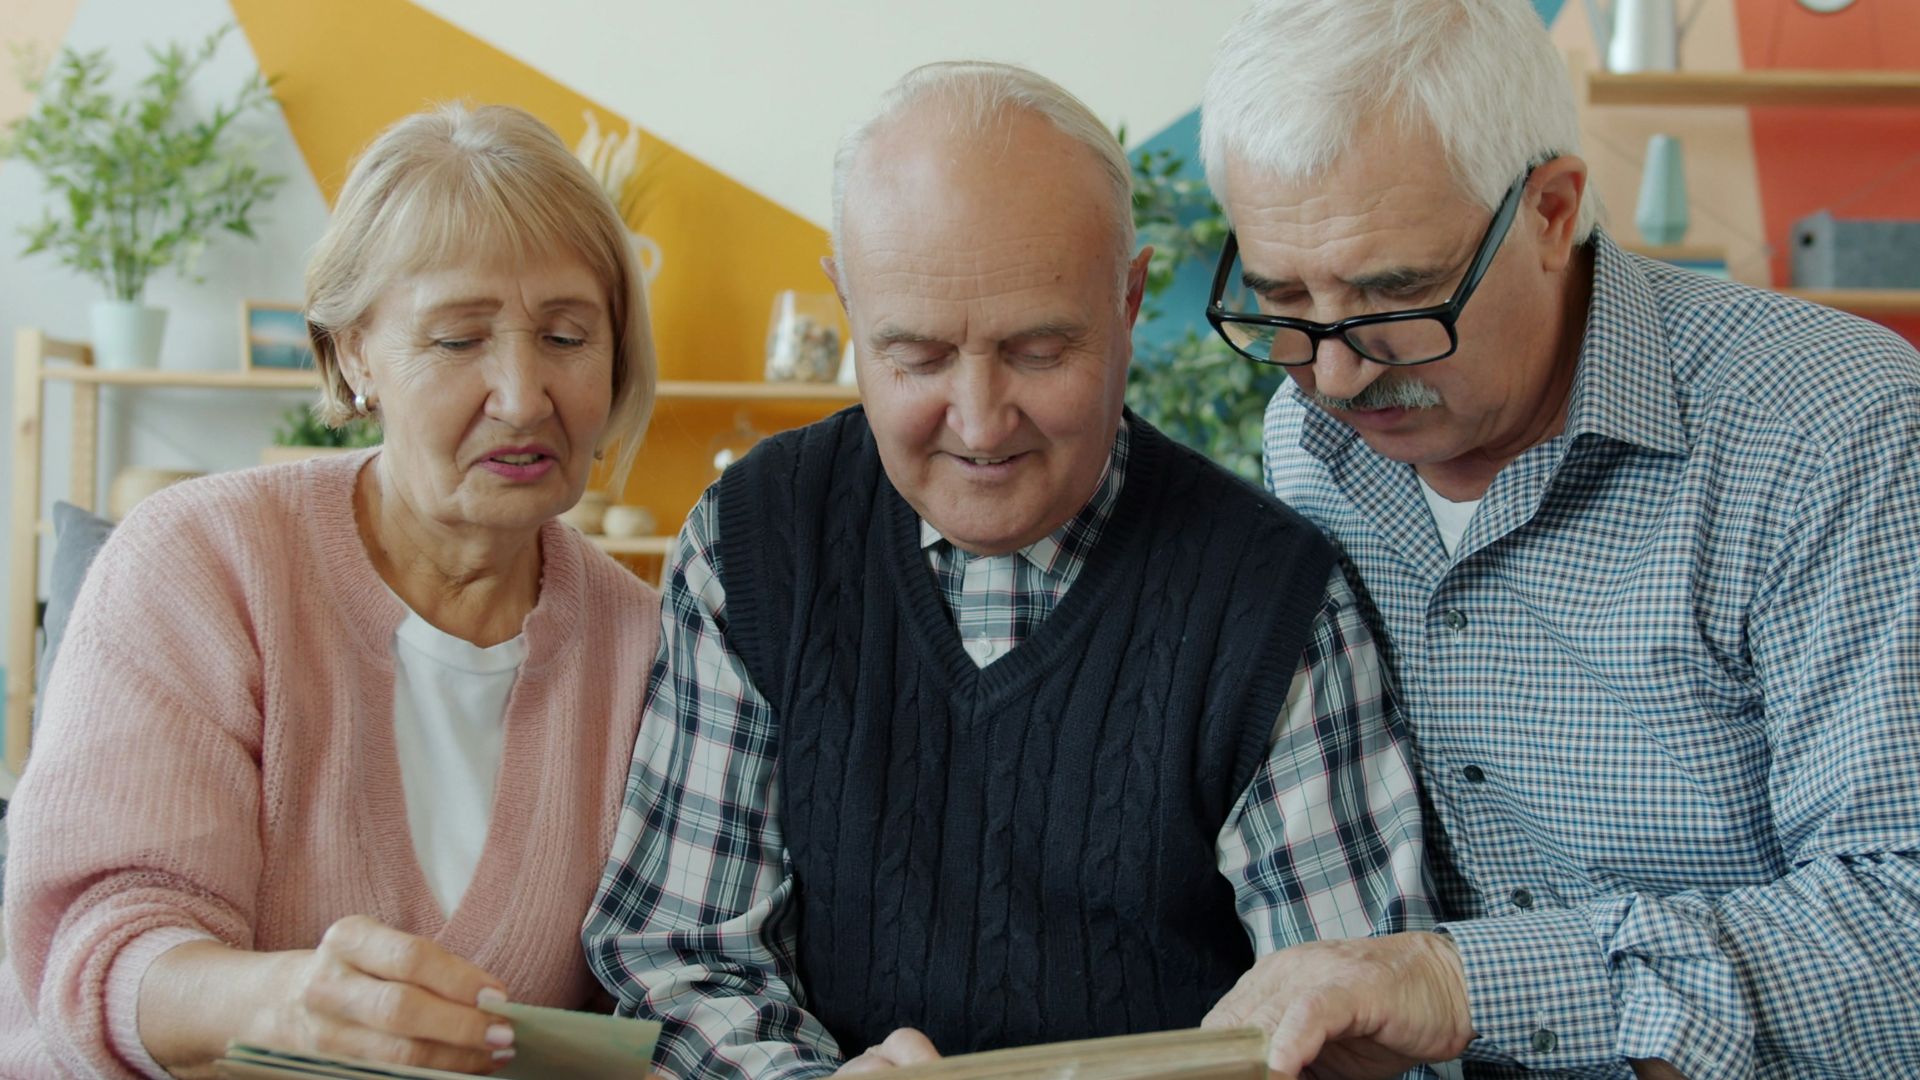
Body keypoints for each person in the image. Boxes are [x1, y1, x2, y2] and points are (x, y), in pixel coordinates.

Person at [583, 61, 1433, 1080]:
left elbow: (1349, 1022)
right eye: (918, 357)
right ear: (848, 302)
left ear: (1128, 300)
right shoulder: (753, 544)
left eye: (1037, 351)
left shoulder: (1271, 597)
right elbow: (681, 958)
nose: (981, 425)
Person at [1194, 0, 1920, 1076]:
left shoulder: (1834, 434)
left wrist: (1460, 981)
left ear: (1552, 209)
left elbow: (1904, 925)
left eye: (1395, 292)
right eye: (1283, 299)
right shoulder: (1309, 442)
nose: (1336, 376)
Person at [0, 103, 661, 1079]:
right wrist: (279, 1004)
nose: (524, 396)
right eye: (458, 340)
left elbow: (664, 991)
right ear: (353, 352)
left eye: (567, 337)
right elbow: (98, 951)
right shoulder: (202, 560)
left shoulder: (647, 644)